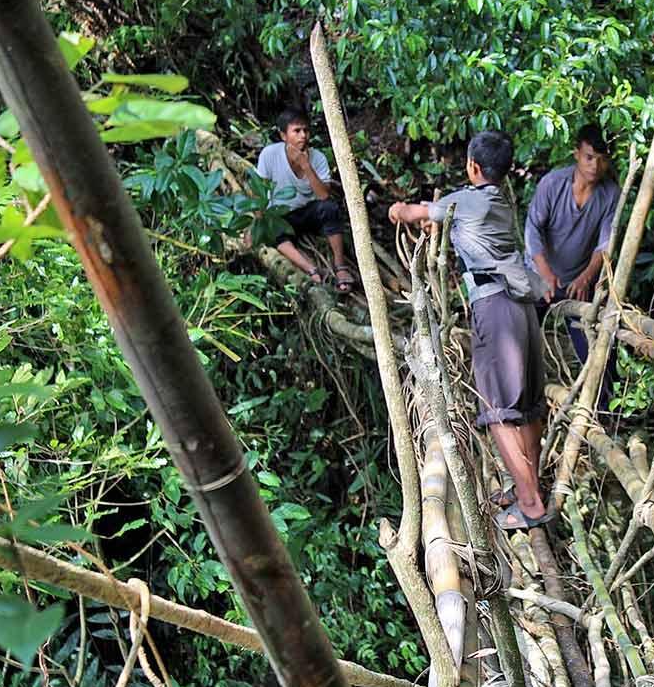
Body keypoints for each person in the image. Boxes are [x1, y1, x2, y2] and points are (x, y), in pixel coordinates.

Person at [388, 131, 551, 529]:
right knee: (526, 408)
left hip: (495, 309)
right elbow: (460, 228)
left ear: (473, 166)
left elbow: (413, 212)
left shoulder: (464, 200)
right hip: (523, 308)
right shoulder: (498, 201)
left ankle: (530, 506)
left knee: (497, 412)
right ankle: (526, 490)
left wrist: (398, 209)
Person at [525, 123, 619, 406]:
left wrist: (586, 277)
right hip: (538, 276)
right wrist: (544, 272)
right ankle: (525, 403)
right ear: (577, 153)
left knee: (598, 344)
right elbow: (532, 229)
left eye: (602, 159)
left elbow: (605, 244)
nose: (595, 165)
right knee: (521, 337)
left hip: (578, 282)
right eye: (590, 157)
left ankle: (605, 410)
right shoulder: (553, 184)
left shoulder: (610, 194)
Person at [255, 107, 356, 291]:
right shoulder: (269, 155)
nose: (303, 136)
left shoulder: (317, 158)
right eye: (297, 131)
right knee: (271, 230)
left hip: (309, 212)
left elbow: (324, 196)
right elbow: (259, 189)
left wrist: (305, 165)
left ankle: (340, 266)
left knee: (330, 208)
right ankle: (311, 269)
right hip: (282, 216)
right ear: (283, 135)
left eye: (306, 130)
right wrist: (257, 219)